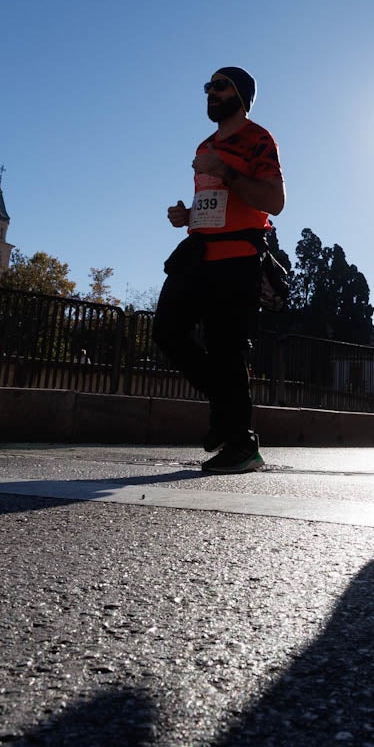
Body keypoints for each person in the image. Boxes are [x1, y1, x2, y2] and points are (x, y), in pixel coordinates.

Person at [155, 66, 285, 474]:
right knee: (166, 331)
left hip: (238, 257)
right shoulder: (206, 144)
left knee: (227, 349)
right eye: (207, 86)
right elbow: (218, 205)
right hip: (198, 253)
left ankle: (243, 444)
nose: (210, 92)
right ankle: (224, 408)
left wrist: (225, 170)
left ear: (242, 95)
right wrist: (188, 214)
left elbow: (274, 201)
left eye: (220, 86)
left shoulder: (258, 139)